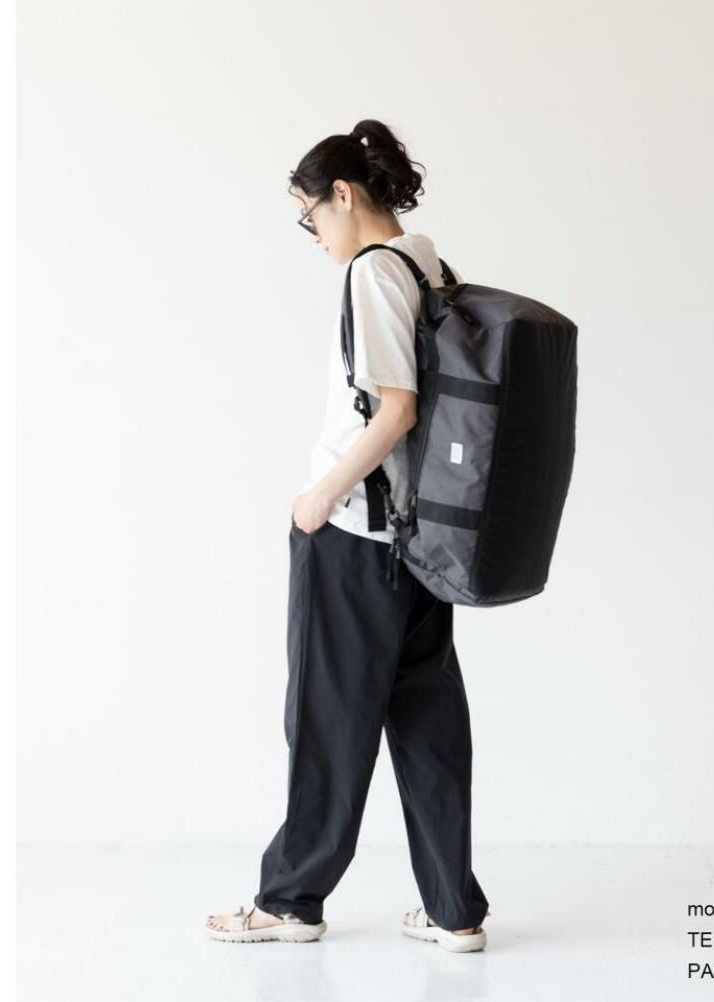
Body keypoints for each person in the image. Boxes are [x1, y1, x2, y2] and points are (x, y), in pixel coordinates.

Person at [205, 119, 489, 952]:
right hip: (423, 541)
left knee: (327, 720)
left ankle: (291, 899)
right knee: (428, 724)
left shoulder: (372, 272)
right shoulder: (430, 264)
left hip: (356, 531)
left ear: (342, 194)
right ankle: (454, 911)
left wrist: (318, 499)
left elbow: (396, 411)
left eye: (311, 216)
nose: (315, 236)